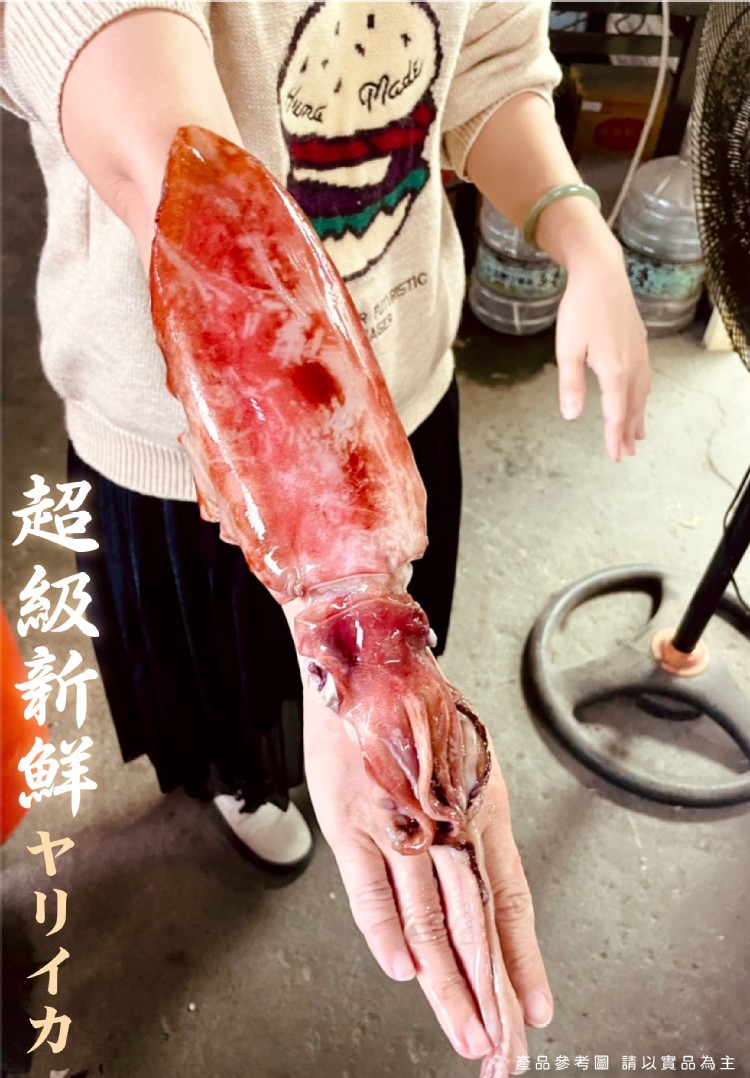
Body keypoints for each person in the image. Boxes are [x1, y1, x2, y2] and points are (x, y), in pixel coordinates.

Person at [2, 1, 650, 1066]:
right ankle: (241, 782)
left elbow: (488, 57)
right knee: (218, 682)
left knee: (333, 686)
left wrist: (578, 230)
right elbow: (189, 178)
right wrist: (349, 611)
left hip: (397, 398)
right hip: (170, 449)